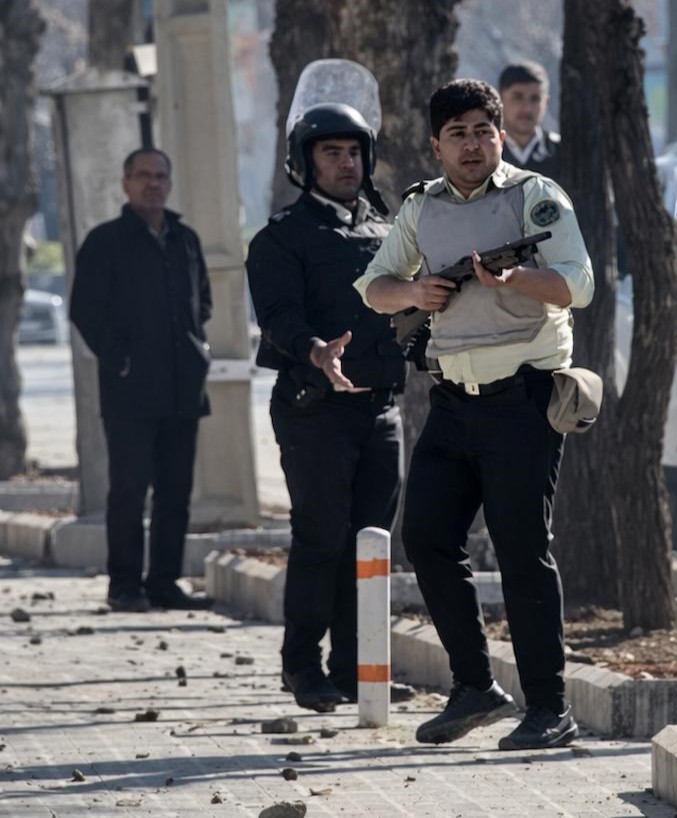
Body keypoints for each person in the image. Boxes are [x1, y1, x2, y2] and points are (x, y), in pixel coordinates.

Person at [356, 78, 593, 751]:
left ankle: (550, 708)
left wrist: (514, 278)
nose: (471, 144)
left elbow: (578, 284)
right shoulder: (421, 208)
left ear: (501, 135)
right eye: (456, 133)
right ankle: (474, 687)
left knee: (521, 551)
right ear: (435, 144)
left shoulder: (534, 198)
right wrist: (414, 289)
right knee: (426, 536)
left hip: (524, 400)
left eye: (482, 131)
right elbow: (374, 288)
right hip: (452, 402)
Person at [246, 102, 404, 714]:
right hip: (313, 411)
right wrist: (316, 353)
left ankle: (355, 668)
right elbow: (280, 317)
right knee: (320, 538)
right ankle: (302, 665)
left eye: (354, 151)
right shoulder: (281, 237)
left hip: (380, 410)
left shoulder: (390, 231)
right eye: (330, 152)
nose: (346, 163)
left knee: (370, 542)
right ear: (303, 162)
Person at [69, 148, 214, 614]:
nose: (153, 183)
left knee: (175, 491)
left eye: (160, 176)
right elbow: (85, 311)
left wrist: (198, 352)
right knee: (130, 490)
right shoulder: (105, 242)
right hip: (131, 392)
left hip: (183, 388)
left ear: (170, 183)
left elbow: (203, 304)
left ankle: (164, 582)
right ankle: (125, 584)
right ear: (125, 183)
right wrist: (122, 359)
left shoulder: (185, 240)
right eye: (143, 176)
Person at [498, 61, 560, 178]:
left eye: (535, 99)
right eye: (518, 97)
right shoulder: (485, 152)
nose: (527, 108)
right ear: (500, 99)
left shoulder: (563, 153)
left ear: (546, 102)